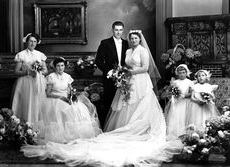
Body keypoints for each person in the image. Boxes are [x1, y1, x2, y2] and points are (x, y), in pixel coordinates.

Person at [21, 31, 182, 167]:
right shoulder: (127, 51)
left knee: (142, 105)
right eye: (131, 38)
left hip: (140, 81)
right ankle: (127, 127)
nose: (133, 40)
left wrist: (128, 73)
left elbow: (145, 68)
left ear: (140, 39)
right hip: (128, 80)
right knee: (125, 105)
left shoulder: (143, 51)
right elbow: (124, 64)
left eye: (136, 38)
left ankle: (141, 129)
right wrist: (122, 72)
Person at [37, 57, 101, 143]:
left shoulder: (67, 77)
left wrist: (71, 97)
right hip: (55, 98)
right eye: (58, 66)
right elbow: (48, 93)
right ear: (55, 67)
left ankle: (75, 133)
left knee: (77, 108)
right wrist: (60, 98)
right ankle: (61, 134)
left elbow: (70, 90)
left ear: (64, 66)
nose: (60, 68)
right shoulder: (51, 77)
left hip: (66, 98)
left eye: (62, 65)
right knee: (63, 109)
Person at [95, 21, 129, 128]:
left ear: (123, 30)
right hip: (110, 78)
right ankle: (107, 128)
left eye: (120, 30)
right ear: (112, 30)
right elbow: (99, 61)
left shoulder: (127, 43)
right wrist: (109, 71)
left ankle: (121, 126)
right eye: (116, 30)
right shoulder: (105, 43)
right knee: (109, 102)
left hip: (124, 77)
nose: (118, 32)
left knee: (123, 102)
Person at [11, 33, 48, 124]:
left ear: (37, 43)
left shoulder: (40, 55)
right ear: (27, 42)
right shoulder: (21, 55)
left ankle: (37, 123)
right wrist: (28, 72)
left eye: (35, 41)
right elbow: (16, 72)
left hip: (38, 82)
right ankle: (24, 123)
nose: (32, 43)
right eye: (31, 41)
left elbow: (45, 70)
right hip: (25, 82)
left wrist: (39, 72)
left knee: (37, 102)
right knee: (25, 102)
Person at [165, 64, 194, 140]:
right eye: (180, 73)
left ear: (186, 72)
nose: (181, 74)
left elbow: (191, 93)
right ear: (177, 73)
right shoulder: (175, 82)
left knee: (184, 117)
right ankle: (175, 132)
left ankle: (184, 133)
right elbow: (172, 91)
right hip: (177, 103)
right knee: (175, 116)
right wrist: (174, 95)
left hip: (185, 102)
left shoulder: (189, 82)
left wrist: (184, 95)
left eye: (183, 72)